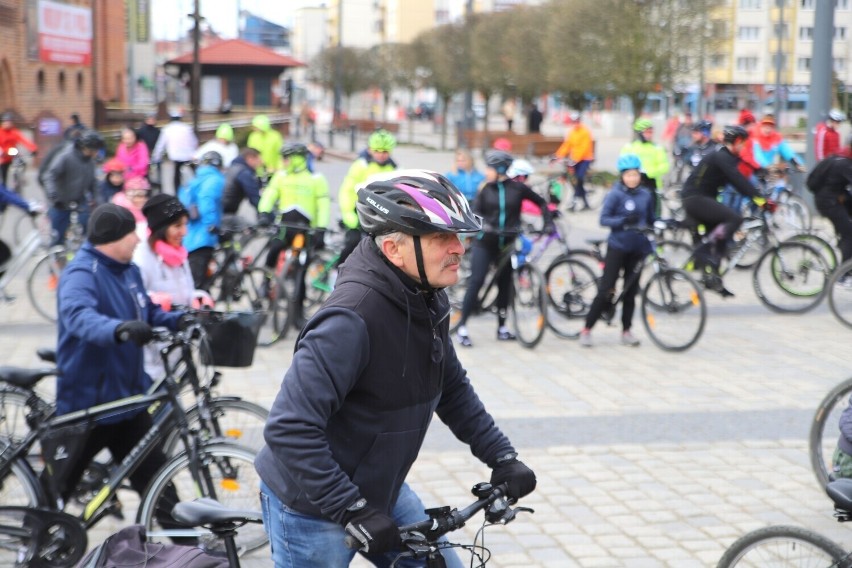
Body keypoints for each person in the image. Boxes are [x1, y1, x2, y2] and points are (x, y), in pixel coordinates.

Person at [254, 170, 537, 567]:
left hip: (378, 485)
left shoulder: (428, 296)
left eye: (457, 236)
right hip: (313, 503)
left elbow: (451, 386)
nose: (459, 248)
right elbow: (289, 427)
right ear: (393, 249)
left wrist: (502, 456)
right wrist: (350, 509)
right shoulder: (350, 319)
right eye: (442, 238)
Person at [55, 203, 188, 528]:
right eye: (131, 233)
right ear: (111, 238)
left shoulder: (129, 271)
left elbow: (147, 313)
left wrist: (178, 319)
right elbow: (78, 316)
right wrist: (118, 329)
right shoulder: (82, 273)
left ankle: (194, 552)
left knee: (159, 485)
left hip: (129, 401)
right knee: (55, 495)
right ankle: (35, 547)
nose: (137, 240)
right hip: (91, 405)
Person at [455, 150, 553, 347]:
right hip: (486, 242)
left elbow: (541, 202)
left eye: (489, 169)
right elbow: (475, 211)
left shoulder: (517, 189)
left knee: (505, 286)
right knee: (477, 281)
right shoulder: (486, 188)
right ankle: (462, 327)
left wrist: (548, 222)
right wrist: (484, 224)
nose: (487, 172)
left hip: (507, 244)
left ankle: (501, 328)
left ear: (500, 169)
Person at [578, 155, 655, 348]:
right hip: (618, 247)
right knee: (606, 289)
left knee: (630, 292)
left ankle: (626, 330)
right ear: (622, 176)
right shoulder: (615, 194)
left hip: (638, 249)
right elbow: (604, 220)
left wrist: (660, 225)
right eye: (628, 175)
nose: (632, 178)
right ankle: (587, 329)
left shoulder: (646, 195)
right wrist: (622, 221)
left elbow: (651, 220)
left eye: (635, 174)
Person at [680, 125, 762, 297]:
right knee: (734, 219)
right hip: (694, 198)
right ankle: (701, 252)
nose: (745, 147)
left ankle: (713, 280)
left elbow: (744, 173)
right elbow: (737, 179)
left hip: (703, 198)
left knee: (721, 240)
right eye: (744, 143)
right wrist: (759, 199)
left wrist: (765, 173)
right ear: (738, 141)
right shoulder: (721, 156)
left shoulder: (728, 157)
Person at [257, 143, 330, 326]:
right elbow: (270, 194)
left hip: (306, 230)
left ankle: (297, 313)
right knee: (273, 251)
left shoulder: (316, 178)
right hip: (285, 226)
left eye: (286, 158)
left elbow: (323, 205)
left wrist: (321, 228)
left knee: (302, 271)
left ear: (297, 158)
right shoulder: (281, 176)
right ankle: (265, 283)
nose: (283, 162)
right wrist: (264, 212)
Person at [133, 194, 195, 379]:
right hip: (152, 353)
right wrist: (153, 298)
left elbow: (187, 290)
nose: (184, 232)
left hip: (176, 346)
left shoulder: (179, 255)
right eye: (177, 226)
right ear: (161, 228)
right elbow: (136, 299)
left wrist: (198, 297)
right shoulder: (142, 258)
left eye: (185, 225)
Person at [337, 129, 398, 266]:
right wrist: (347, 214)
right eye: (377, 151)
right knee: (353, 243)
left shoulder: (394, 169)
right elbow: (346, 191)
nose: (381, 155)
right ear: (370, 150)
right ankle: (337, 272)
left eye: (385, 151)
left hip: (379, 217)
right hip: (356, 213)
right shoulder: (360, 166)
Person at [42, 129, 103, 247]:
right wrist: (53, 195)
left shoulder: (90, 161)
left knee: (88, 227)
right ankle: (56, 261)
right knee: (58, 238)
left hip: (79, 200)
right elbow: (49, 176)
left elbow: (93, 184)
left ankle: (82, 252)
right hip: (60, 201)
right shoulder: (66, 156)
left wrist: (100, 203)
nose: (97, 153)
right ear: (88, 148)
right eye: (96, 150)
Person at [179, 151, 225, 289]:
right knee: (197, 284)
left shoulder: (195, 180)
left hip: (190, 235)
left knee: (196, 280)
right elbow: (207, 200)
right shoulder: (215, 179)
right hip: (203, 236)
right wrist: (210, 224)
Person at [806, 139, 852, 266]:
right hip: (830, 203)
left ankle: (842, 241)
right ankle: (844, 274)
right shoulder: (846, 165)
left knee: (846, 228)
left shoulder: (835, 157)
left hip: (823, 199)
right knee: (849, 236)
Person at [621, 118, 670, 215]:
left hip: (652, 186)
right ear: (639, 133)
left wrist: (649, 173)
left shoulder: (657, 148)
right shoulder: (629, 147)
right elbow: (621, 165)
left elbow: (665, 166)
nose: (649, 134)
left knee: (654, 215)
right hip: (633, 185)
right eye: (646, 132)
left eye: (651, 132)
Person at [553, 111, 595, 211]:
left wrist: (575, 159)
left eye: (576, 121)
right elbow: (566, 145)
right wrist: (557, 155)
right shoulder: (572, 132)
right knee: (576, 182)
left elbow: (584, 147)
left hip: (585, 159)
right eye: (573, 121)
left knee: (579, 178)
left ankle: (573, 202)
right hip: (574, 160)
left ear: (579, 120)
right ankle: (586, 204)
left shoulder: (585, 131)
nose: (575, 123)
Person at [151, 111, 198, 194]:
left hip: (175, 157)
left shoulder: (167, 129)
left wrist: (155, 158)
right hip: (188, 156)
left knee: (176, 177)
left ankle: (177, 194)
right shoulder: (186, 128)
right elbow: (194, 142)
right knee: (193, 176)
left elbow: (160, 145)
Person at [222, 147, 263, 217]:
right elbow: (254, 197)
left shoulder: (234, 167)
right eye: (258, 159)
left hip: (222, 209)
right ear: (250, 158)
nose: (261, 162)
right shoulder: (244, 173)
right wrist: (265, 213)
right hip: (226, 212)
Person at [0, 112, 38, 187]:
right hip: (3, 155)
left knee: (23, 163)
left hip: (12, 154)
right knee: (3, 174)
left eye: (10, 122)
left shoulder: (14, 132)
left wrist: (33, 149)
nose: (8, 124)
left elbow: (23, 140)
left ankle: (20, 177)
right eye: (6, 122)